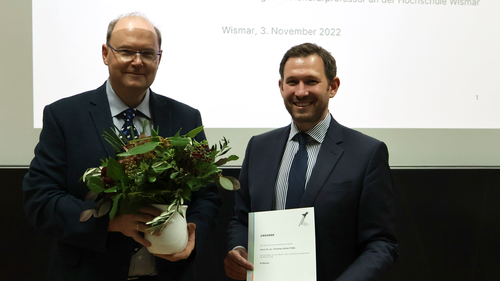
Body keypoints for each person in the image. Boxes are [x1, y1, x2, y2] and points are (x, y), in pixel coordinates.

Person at [22, 13, 222, 281]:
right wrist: (111, 222)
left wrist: (190, 233)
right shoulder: (65, 116)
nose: (137, 62)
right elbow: (41, 199)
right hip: (88, 272)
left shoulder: (186, 118)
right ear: (106, 54)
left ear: (158, 59)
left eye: (147, 53)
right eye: (126, 51)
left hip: (170, 272)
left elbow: (206, 196)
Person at [224, 43, 399, 281]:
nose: (301, 91)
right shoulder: (258, 147)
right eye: (292, 82)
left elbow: (381, 243)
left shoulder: (367, 153)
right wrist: (238, 249)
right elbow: (242, 219)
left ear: (333, 86)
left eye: (311, 81)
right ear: (281, 87)